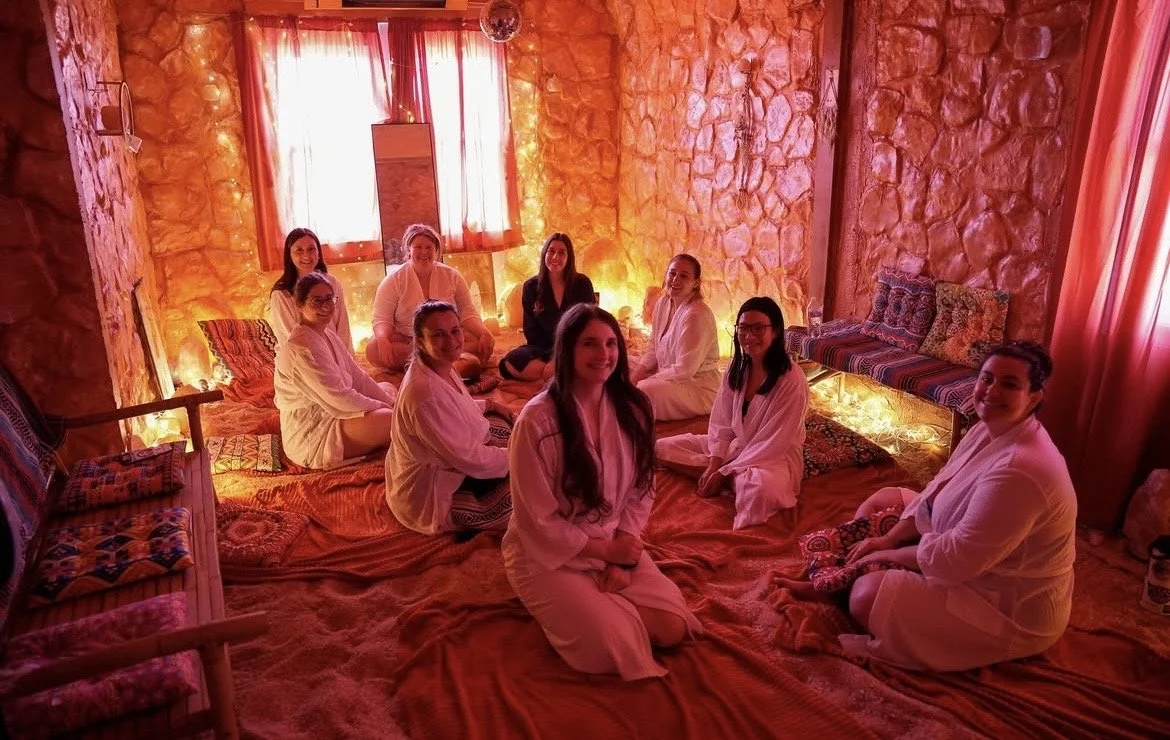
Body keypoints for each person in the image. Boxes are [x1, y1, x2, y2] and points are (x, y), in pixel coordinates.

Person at [792, 342, 1077, 672]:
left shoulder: (1021, 470)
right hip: (967, 553)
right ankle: (853, 575)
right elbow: (939, 488)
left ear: (1034, 397)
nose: (992, 391)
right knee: (885, 499)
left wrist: (884, 555)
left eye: (1010, 384)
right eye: (987, 379)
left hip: (1002, 604)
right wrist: (889, 539)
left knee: (866, 595)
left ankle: (855, 581)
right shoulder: (989, 427)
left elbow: (954, 561)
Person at [503, 304, 702, 680]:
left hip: (613, 543)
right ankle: (567, 605)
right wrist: (603, 551)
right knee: (610, 647)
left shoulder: (635, 407)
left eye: (611, 344)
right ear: (567, 350)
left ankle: (598, 605)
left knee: (672, 627)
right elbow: (538, 519)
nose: (604, 354)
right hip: (547, 553)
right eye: (590, 344)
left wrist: (622, 557)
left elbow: (642, 489)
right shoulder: (536, 420)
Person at [657, 297, 808, 529]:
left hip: (771, 458)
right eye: (744, 328)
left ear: (776, 332)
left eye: (759, 328)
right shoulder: (737, 367)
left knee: (759, 491)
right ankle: (719, 474)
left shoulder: (791, 379)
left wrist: (723, 468)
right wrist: (715, 463)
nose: (749, 336)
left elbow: (774, 443)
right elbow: (721, 424)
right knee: (662, 447)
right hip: (737, 446)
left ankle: (724, 477)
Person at [385, 301, 514, 535]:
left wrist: (489, 404)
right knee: (533, 492)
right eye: (438, 335)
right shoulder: (424, 394)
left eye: (455, 331)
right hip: (431, 492)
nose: (452, 341)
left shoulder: (439, 365)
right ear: (420, 341)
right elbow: (470, 459)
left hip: (452, 458)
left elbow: (455, 405)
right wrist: (520, 456)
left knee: (505, 425)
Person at [274, 273, 395, 469]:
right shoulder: (302, 347)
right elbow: (339, 397)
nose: (326, 305)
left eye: (329, 298)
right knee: (390, 420)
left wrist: (391, 403)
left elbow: (359, 378)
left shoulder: (327, 333)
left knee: (387, 388)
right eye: (317, 300)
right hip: (313, 434)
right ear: (300, 305)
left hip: (335, 411)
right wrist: (389, 409)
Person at [366, 224, 495, 375]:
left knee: (481, 341)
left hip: (445, 337)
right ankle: (440, 358)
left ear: (436, 250)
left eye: (429, 248)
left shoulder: (452, 276)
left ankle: (422, 361)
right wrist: (382, 339)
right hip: (408, 340)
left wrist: (483, 332)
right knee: (373, 348)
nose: (424, 252)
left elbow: (467, 312)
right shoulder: (393, 280)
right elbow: (382, 318)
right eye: (418, 247)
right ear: (409, 249)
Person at [629, 254, 720, 420]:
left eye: (684, 276)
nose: (676, 279)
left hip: (695, 386)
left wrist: (643, 380)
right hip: (667, 376)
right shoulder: (663, 303)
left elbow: (684, 370)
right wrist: (633, 378)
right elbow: (653, 349)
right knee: (618, 364)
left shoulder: (696, 314)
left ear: (695, 283)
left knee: (645, 390)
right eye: (672, 273)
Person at [499, 233, 595, 381]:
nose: (556, 257)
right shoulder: (531, 287)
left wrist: (561, 356)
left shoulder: (582, 284)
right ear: (545, 253)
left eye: (562, 252)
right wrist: (552, 357)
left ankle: (554, 375)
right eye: (551, 251)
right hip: (542, 348)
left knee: (589, 356)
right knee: (509, 362)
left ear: (569, 257)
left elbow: (587, 326)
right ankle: (559, 375)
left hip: (574, 348)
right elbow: (531, 330)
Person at [268, 228, 353, 350]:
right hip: (301, 358)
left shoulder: (332, 283)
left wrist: (345, 359)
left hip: (334, 354)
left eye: (311, 249)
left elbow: (343, 326)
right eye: (299, 250)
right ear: (289, 255)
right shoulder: (281, 294)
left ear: (318, 252)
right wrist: (321, 359)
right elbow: (291, 338)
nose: (306, 255)